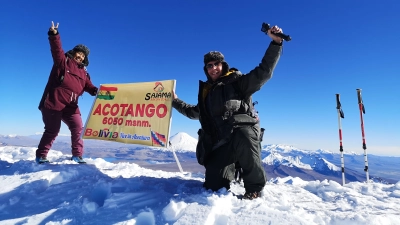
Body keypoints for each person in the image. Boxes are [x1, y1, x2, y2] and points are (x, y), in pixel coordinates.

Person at [172, 25, 284, 200]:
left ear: (223, 65)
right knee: (213, 186)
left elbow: (264, 72)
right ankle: (228, 170)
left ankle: (254, 188)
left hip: (242, 137)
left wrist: (276, 44)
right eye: (209, 65)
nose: (213, 68)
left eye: (217, 64)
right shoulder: (206, 94)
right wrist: (174, 101)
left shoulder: (237, 82)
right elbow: (193, 112)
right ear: (206, 69)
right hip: (221, 144)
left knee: (243, 132)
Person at [36, 21, 98, 164]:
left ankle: (77, 155)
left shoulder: (84, 73)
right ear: (73, 52)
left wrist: (97, 91)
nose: (81, 56)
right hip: (54, 102)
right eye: (79, 53)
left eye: (83, 56)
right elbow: (56, 50)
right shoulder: (63, 62)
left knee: (78, 128)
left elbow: (89, 87)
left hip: (71, 106)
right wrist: (54, 35)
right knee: (53, 130)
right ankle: (41, 155)